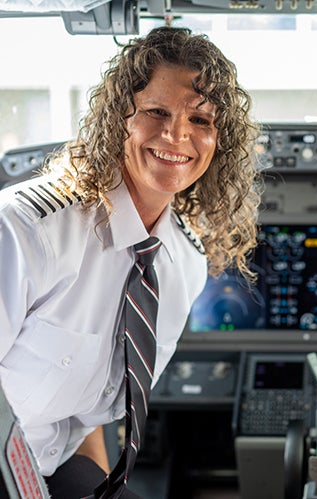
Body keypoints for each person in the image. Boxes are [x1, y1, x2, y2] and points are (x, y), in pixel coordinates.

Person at [0, 26, 261, 498]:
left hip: (53, 467)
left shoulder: (184, 264)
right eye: (156, 112)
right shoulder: (24, 231)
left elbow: (85, 419)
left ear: (219, 141)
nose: (176, 134)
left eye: (201, 121)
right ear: (121, 117)